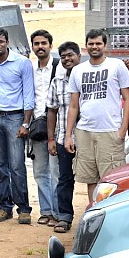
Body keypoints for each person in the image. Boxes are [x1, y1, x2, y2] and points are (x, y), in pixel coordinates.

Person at [64, 29, 129, 206]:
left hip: (110, 131)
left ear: (105, 46)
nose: (94, 47)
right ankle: (94, 212)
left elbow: (127, 99)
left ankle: (111, 212)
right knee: (90, 178)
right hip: (85, 131)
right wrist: (68, 135)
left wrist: (122, 131)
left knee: (111, 179)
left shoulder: (117, 66)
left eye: (98, 44)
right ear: (86, 46)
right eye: (91, 44)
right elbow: (73, 105)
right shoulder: (78, 71)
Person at [0, 28, 35, 225]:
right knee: (0, 165)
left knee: (16, 165)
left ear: (7, 42)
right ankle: (4, 207)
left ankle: (23, 208)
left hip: (15, 118)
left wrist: (26, 122)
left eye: (1, 41)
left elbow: (28, 94)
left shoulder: (22, 63)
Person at [46, 41, 81, 234]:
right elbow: (51, 111)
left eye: (71, 55)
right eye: (64, 56)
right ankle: (64, 216)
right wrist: (51, 139)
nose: (67, 59)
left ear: (79, 56)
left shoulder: (88, 79)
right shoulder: (57, 82)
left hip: (86, 138)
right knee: (65, 179)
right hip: (62, 139)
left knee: (95, 178)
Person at [29, 29, 60, 226]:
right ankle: (46, 210)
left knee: (56, 172)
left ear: (50, 45)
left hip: (57, 127)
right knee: (40, 171)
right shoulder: (30, 69)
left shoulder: (60, 67)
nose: (40, 47)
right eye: (36, 44)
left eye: (43, 43)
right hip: (36, 127)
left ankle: (58, 213)